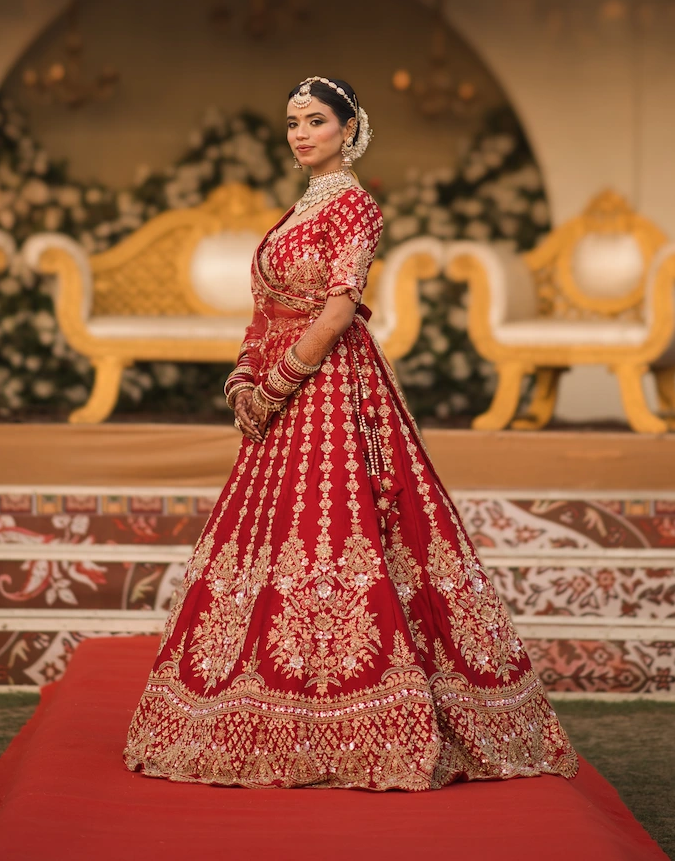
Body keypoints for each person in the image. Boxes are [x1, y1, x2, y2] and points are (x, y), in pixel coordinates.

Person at [124, 76, 577, 790]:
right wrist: (243, 380)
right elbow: (264, 311)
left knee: (349, 533)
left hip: (331, 390)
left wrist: (275, 385)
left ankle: (363, 723)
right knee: (271, 550)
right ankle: (261, 710)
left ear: (349, 129)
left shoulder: (356, 207)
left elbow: (337, 313)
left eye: (315, 121)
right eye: (292, 122)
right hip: (279, 397)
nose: (301, 133)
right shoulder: (295, 211)